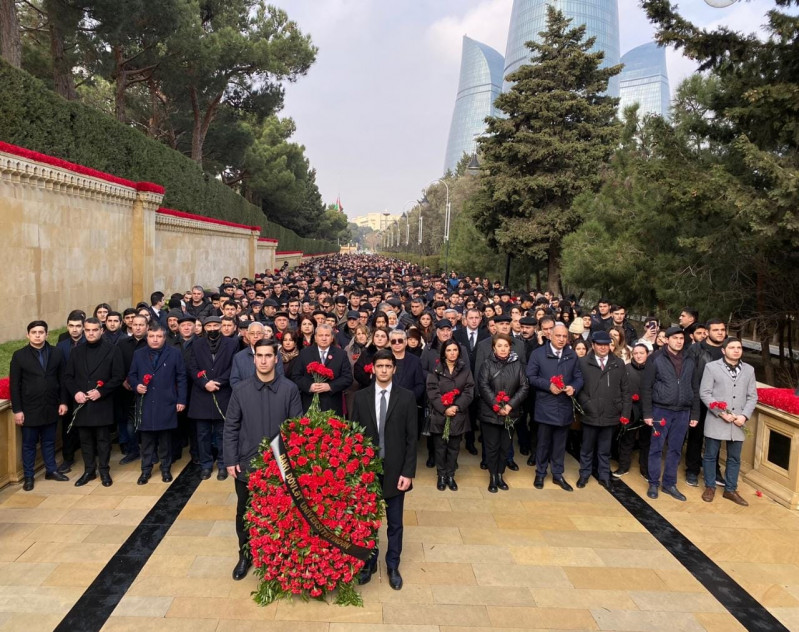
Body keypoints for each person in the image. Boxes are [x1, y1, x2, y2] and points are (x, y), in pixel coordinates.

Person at [223, 339, 303, 580]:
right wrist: (230, 459)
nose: (265, 360)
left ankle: (279, 554)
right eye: (260, 355)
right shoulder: (241, 390)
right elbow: (231, 427)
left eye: (269, 355)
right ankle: (245, 554)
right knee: (245, 512)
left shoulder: (289, 389)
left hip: (280, 465)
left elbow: (296, 428)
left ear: (276, 358)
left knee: (280, 512)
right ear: (254, 358)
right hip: (247, 463)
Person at [351, 349, 417, 590]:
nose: (384, 370)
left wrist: (408, 472)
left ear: (394, 369)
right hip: (367, 471)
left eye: (388, 366)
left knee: (395, 522)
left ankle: (392, 564)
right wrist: (356, 470)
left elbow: (412, 438)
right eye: (380, 366)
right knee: (367, 521)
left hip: (396, 471)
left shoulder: (407, 397)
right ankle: (369, 562)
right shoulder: (360, 398)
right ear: (373, 369)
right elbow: (354, 435)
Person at [641, 326, 701, 501]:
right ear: (666, 340)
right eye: (675, 338)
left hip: (683, 411)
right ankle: (653, 482)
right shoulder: (655, 358)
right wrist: (647, 413)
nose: (679, 341)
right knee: (656, 448)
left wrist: (695, 414)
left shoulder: (690, 359)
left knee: (675, 449)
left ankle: (669, 484)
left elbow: (694, 387)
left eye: (681, 339)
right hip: (661, 410)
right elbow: (646, 387)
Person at [64, 317, 125, 487]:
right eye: (88, 330)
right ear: (84, 331)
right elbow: (68, 376)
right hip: (82, 403)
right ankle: (89, 471)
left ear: (101, 330)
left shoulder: (112, 350)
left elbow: (118, 376)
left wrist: (101, 391)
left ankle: (104, 471)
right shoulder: (76, 351)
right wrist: (76, 392)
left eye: (94, 330)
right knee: (85, 439)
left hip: (102, 403)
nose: (91, 333)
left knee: (103, 440)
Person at [10, 321, 70, 490]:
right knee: (29, 444)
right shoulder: (19, 355)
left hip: (51, 406)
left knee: (49, 441)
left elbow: (62, 380)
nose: (37, 335)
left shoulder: (56, 353)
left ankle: (51, 470)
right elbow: (15, 385)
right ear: (27, 335)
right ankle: (29, 476)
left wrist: (63, 401)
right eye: (34, 332)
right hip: (29, 409)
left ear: (47, 334)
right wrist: (18, 410)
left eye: (41, 332)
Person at [699, 338, 757, 506]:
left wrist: (744, 416)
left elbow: (752, 396)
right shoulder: (711, 367)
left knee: (734, 457)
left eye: (739, 347)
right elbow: (705, 393)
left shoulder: (749, 370)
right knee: (710, 455)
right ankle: (710, 486)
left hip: (738, 422)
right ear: (724, 350)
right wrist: (721, 412)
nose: (736, 350)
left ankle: (730, 489)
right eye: (732, 347)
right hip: (717, 419)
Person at [127, 323, 187, 484]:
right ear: (147, 337)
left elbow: (181, 377)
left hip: (166, 403)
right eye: (152, 336)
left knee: (165, 441)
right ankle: (145, 470)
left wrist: (181, 399)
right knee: (146, 441)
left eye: (159, 336)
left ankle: (165, 469)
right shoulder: (139, 354)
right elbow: (132, 375)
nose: (155, 340)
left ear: (164, 337)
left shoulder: (174, 354)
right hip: (146, 404)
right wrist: (136, 385)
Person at [526, 323, 583, 491]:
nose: (561, 339)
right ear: (550, 335)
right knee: (543, 442)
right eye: (558, 336)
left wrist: (574, 387)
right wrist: (547, 385)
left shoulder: (571, 355)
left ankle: (558, 474)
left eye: (565, 337)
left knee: (560, 443)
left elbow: (579, 377)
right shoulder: (538, 354)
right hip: (545, 405)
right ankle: (540, 473)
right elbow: (531, 376)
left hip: (564, 406)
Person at [575, 331, 630, 489]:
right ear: (593, 345)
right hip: (590, 413)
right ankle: (584, 474)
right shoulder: (583, 362)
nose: (603, 347)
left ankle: (604, 475)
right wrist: (587, 404)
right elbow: (579, 388)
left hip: (610, 413)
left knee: (605, 450)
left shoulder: (618, 363)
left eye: (606, 344)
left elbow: (625, 390)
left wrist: (624, 412)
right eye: (600, 344)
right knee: (586, 448)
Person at [187, 316, 238, 480]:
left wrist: (219, 381)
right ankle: (206, 465)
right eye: (209, 326)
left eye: (216, 325)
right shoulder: (196, 344)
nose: (212, 329)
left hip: (223, 393)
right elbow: (192, 367)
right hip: (201, 395)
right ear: (203, 328)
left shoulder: (232, 344)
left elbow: (233, 366)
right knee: (202, 435)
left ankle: (223, 464)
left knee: (222, 432)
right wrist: (204, 382)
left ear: (222, 326)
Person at [478, 333, 530, 493]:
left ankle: (500, 474)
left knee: (505, 446)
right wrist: (496, 405)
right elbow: (483, 385)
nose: (503, 349)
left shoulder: (517, 365)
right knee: (492, 447)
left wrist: (510, 405)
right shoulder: (487, 364)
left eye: (506, 346)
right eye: (499, 346)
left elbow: (524, 386)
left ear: (510, 347)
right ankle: (493, 476)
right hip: (490, 414)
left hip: (510, 413)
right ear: (494, 348)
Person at [684, 318, 728, 487]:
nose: (719, 333)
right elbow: (690, 375)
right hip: (700, 400)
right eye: (716, 330)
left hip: (720, 403)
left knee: (716, 438)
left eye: (722, 330)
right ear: (708, 331)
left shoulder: (727, 349)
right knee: (696, 437)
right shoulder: (696, 349)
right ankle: (692, 471)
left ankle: (714, 471)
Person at [426, 340, 474, 491]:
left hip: (458, 415)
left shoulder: (465, 370)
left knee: (454, 448)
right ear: (443, 353)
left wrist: (457, 406)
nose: (452, 353)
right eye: (449, 350)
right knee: (440, 448)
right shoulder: (436, 370)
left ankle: (450, 475)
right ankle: (441, 475)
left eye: (455, 350)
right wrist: (443, 408)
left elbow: (469, 390)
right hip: (440, 415)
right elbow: (432, 391)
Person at [291, 323, 353, 416]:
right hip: (309, 404)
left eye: (327, 335)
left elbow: (347, 378)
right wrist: (309, 386)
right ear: (315, 337)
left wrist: (330, 386)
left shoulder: (341, 354)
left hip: (332, 405)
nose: (324, 338)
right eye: (321, 335)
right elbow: (295, 376)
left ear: (332, 338)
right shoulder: (304, 354)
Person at [614, 343, 651, 479]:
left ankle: (645, 469)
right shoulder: (626, 368)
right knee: (626, 439)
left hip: (648, 410)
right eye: (635, 353)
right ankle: (623, 467)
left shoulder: (652, 369)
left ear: (647, 354)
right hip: (631, 409)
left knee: (646, 441)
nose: (638, 355)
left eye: (641, 353)